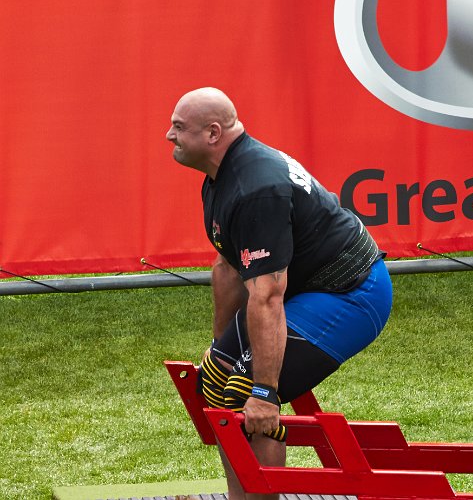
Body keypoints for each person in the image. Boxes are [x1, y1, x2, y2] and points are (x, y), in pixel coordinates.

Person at [166, 87, 392, 500]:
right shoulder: (220, 177)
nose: (169, 135)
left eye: (178, 127)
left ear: (213, 133)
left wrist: (266, 395)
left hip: (352, 293)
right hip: (301, 288)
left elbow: (268, 297)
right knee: (215, 385)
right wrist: (220, 349)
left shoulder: (256, 188)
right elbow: (228, 266)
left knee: (245, 394)